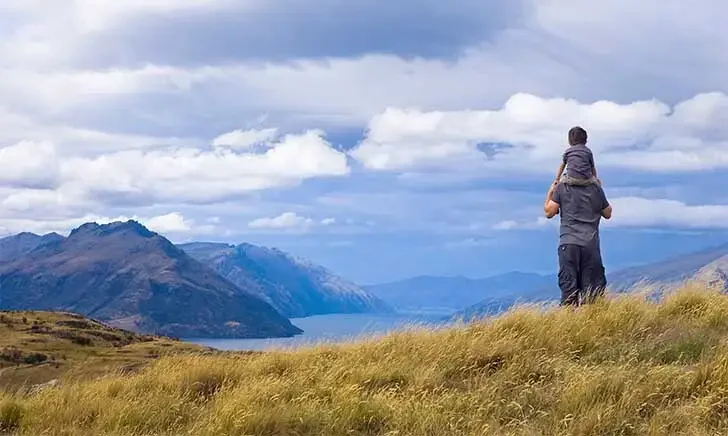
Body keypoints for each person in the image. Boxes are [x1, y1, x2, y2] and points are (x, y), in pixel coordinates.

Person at [544, 136, 613, 306]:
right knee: (593, 295)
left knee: (569, 292)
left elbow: (549, 212)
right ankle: (593, 328)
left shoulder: (562, 187)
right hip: (590, 246)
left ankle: (570, 328)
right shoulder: (595, 189)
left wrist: (550, 192)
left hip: (568, 244)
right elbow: (608, 213)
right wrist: (599, 187)